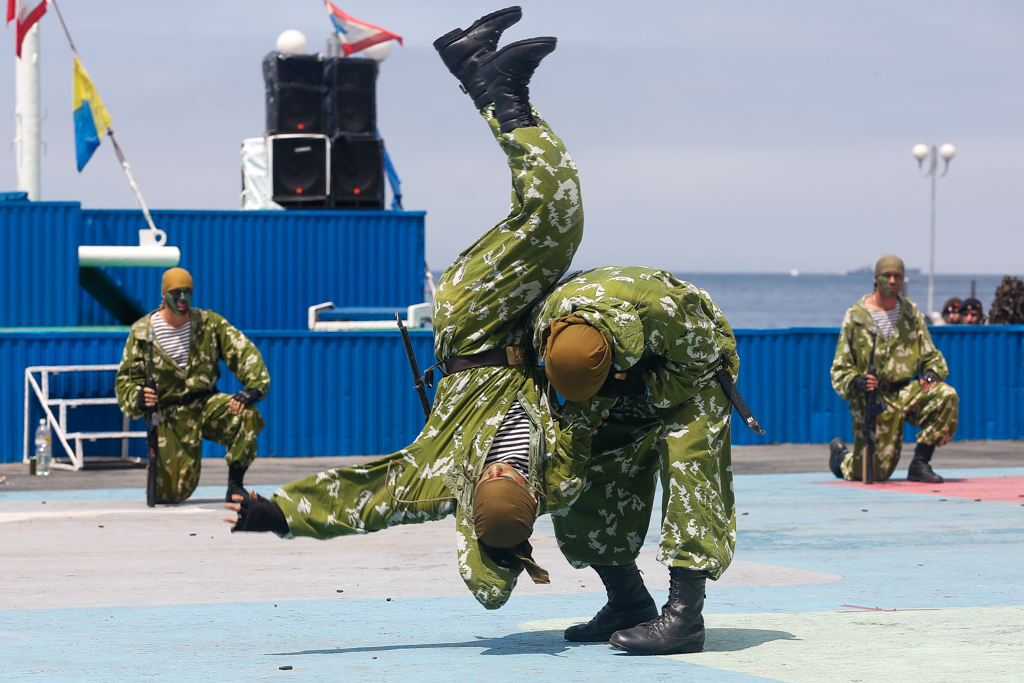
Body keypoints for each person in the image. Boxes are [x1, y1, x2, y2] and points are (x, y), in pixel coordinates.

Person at [225, 7, 603, 611]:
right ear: (531, 504)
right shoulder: (558, 476)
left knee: (555, 214)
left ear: (478, 495)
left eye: (495, 484)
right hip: (511, 321)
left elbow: (369, 496)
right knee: (557, 214)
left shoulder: (441, 476)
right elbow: (589, 415)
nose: (508, 476)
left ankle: (492, 84)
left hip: (477, 320)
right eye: (519, 487)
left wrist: (277, 513)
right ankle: (483, 69)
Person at [532, 266, 738, 655]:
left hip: (694, 369)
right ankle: (627, 601)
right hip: (612, 376)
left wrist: (640, 384)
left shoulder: (670, 312)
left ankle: (685, 620)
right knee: (585, 464)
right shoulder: (545, 323)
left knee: (688, 465)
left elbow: (701, 362)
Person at [115, 267, 270, 504]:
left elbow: (242, 351)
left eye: (187, 292)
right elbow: (125, 379)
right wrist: (138, 397)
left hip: (205, 403)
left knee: (246, 415)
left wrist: (254, 388)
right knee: (169, 495)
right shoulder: (143, 332)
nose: (182, 299)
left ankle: (235, 486)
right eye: (175, 293)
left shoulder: (210, 324)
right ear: (163, 295)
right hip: (169, 415)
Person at [829, 255, 958, 484]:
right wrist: (856, 381)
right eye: (887, 275)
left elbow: (931, 356)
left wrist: (931, 373)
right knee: (873, 473)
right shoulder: (856, 316)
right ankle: (841, 458)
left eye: (897, 275)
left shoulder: (910, 313)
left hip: (905, 391)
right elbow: (839, 368)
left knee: (946, 396)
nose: (892, 280)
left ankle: (920, 464)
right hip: (872, 400)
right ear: (876, 279)